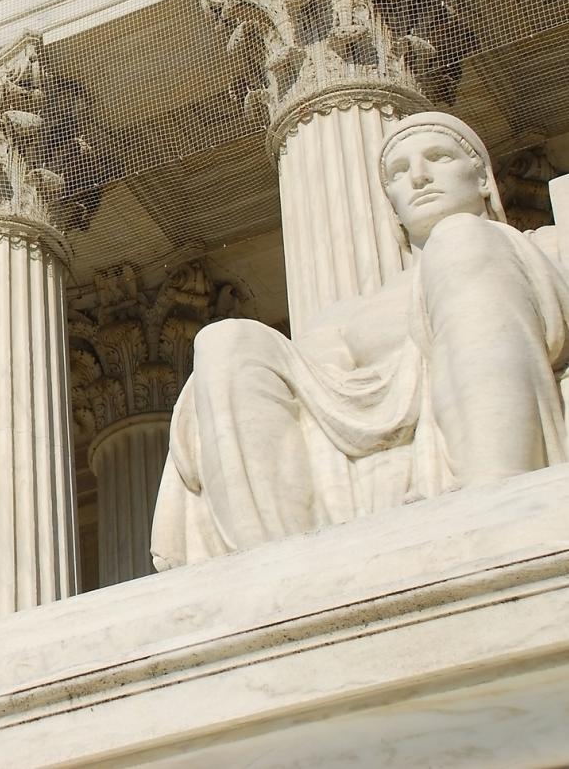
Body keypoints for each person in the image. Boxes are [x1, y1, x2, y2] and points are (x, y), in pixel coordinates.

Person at [151, 111, 569, 569]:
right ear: (391, 205)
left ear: (484, 179)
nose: (420, 178)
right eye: (399, 173)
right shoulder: (350, 312)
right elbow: (313, 380)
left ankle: (498, 498)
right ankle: (274, 570)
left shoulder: (544, 247)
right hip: (350, 422)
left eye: (438, 157)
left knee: (461, 239)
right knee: (224, 340)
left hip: (497, 452)